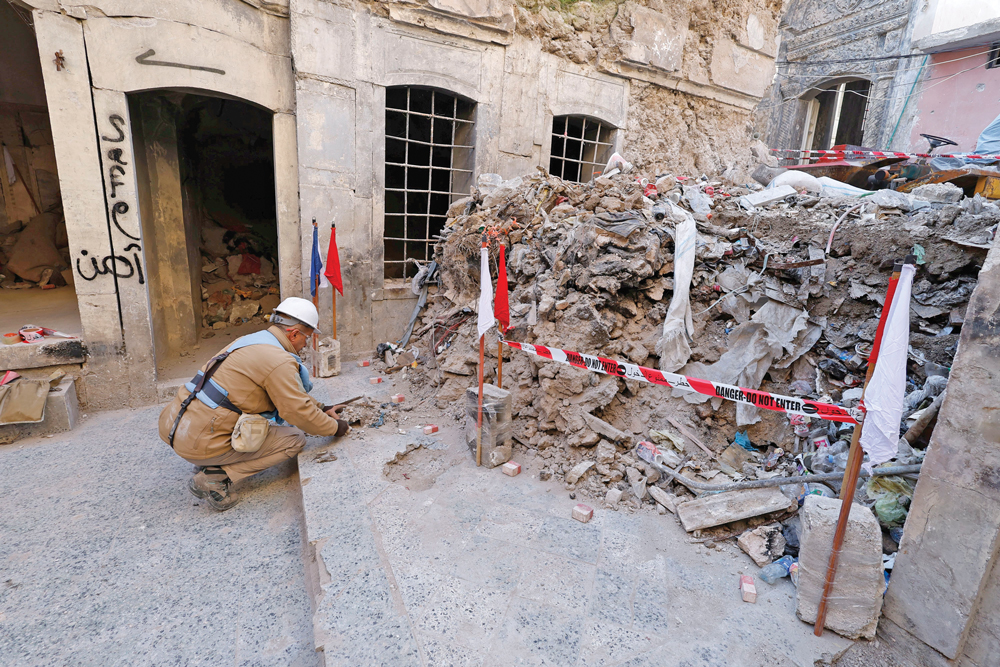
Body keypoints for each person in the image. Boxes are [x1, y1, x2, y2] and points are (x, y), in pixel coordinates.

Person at [158, 297, 346, 510]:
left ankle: (207, 458)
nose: (305, 345)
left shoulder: (254, 340)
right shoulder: (279, 360)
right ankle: (216, 476)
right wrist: (335, 427)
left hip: (177, 426)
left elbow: (287, 391)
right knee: (294, 439)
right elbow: (297, 412)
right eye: (307, 338)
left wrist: (322, 408)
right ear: (294, 334)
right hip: (199, 440)